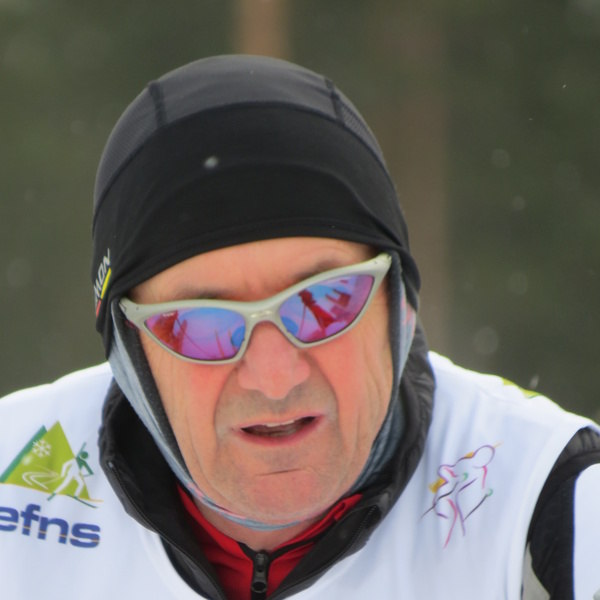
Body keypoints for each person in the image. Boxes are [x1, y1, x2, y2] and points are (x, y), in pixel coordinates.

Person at [0, 55, 599, 600]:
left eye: (324, 301)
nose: (275, 377)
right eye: (200, 324)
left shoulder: (548, 498)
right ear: (130, 354)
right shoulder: (12, 482)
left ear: (399, 304)